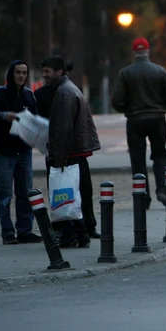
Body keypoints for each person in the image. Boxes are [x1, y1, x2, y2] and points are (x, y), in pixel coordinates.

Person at [35, 61, 100, 239]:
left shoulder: (64, 92)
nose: (45, 75)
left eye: (47, 71)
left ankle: (76, 229)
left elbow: (64, 127)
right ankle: (74, 228)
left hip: (67, 151)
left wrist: (59, 156)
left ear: (59, 71)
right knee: (68, 191)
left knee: (71, 190)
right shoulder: (60, 91)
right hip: (65, 150)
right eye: (44, 71)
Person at [111, 37, 166, 208]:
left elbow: (116, 100)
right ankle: (161, 189)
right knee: (160, 154)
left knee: (137, 159)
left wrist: (127, 109)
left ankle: (143, 197)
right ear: (148, 51)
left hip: (134, 120)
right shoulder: (160, 71)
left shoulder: (125, 73)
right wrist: (162, 106)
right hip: (157, 118)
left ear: (134, 53)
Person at [0, 60, 43, 245]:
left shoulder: (29, 95)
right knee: (4, 195)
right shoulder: (0, 93)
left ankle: (25, 230)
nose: (21, 76)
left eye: (24, 73)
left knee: (25, 192)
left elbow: (35, 120)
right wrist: (4, 116)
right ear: (11, 74)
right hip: (4, 152)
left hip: (24, 152)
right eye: (18, 72)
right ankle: (8, 232)